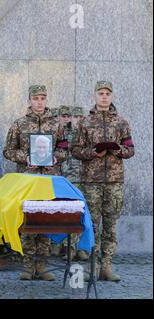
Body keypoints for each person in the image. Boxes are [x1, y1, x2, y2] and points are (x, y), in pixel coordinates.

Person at [4, 84, 68, 281]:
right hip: (28, 179)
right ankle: (27, 265)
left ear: (46, 100)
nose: (39, 102)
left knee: (46, 221)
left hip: (49, 180)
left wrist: (56, 157)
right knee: (28, 221)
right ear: (29, 100)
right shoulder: (19, 124)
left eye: (42, 98)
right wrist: (26, 157)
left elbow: (65, 149)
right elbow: (8, 151)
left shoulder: (57, 125)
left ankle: (42, 266)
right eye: (35, 98)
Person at [72, 81, 135, 282]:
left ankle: (106, 266)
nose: (104, 96)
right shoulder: (85, 122)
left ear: (112, 96)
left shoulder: (122, 123)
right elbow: (75, 150)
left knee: (110, 225)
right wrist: (92, 152)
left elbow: (130, 149)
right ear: (95, 96)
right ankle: (93, 265)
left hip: (115, 181)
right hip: (91, 181)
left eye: (108, 93)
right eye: (101, 93)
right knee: (92, 224)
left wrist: (119, 150)